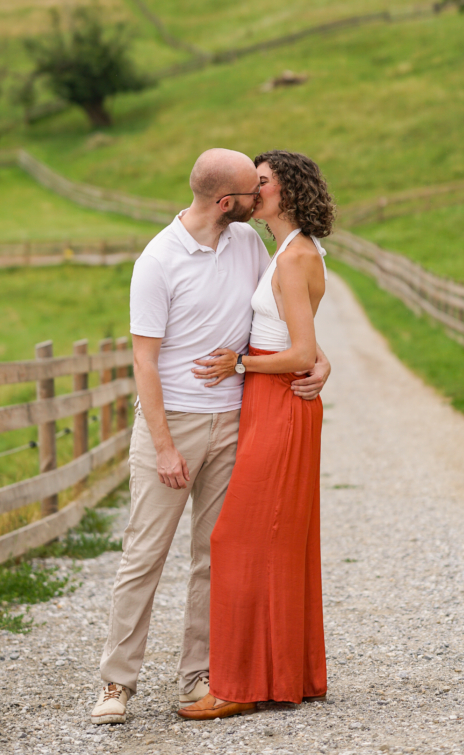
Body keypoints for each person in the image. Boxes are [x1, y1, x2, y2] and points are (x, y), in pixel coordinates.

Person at [91, 148, 331, 725]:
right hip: (172, 423)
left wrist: (321, 359)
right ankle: (116, 684)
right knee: (144, 554)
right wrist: (165, 445)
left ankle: (199, 674)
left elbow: (281, 317)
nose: (258, 197)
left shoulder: (251, 245)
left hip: (237, 422)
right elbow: (144, 363)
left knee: (212, 556)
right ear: (228, 202)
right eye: (253, 190)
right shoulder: (158, 260)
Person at [179, 149, 335, 721]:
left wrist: (239, 365)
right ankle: (287, 673)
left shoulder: (293, 259)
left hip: (279, 402)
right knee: (270, 542)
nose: (253, 191)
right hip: (271, 402)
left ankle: (239, 685)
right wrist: (321, 359)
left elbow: (294, 349)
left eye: (261, 183)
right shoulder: (285, 251)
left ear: (285, 193)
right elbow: (305, 339)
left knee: (237, 540)